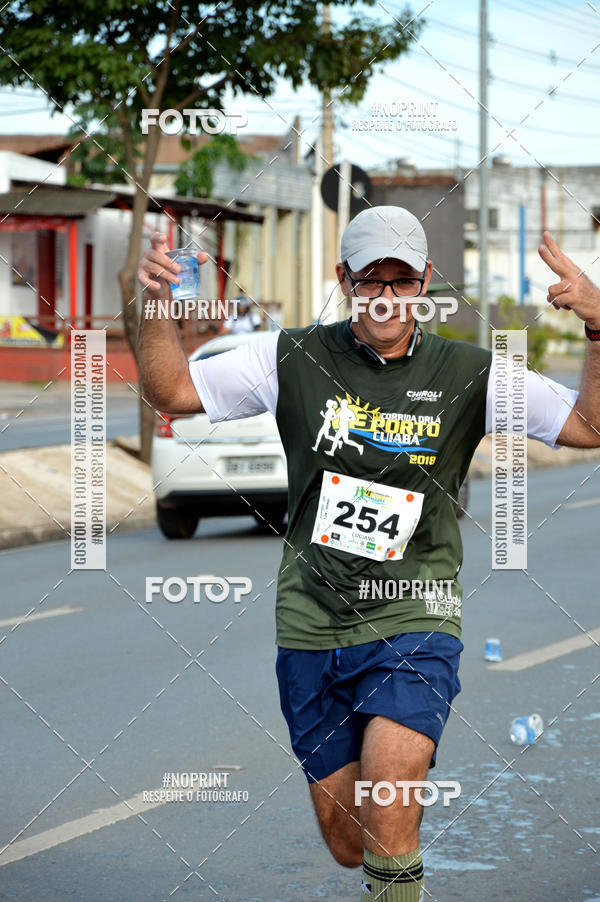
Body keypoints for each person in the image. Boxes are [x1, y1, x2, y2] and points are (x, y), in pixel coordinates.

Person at [137, 206, 600, 901]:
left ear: (426, 281)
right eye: (370, 280)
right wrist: (155, 306)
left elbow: (590, 426)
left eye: (402, 280)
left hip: (416, 616)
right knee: (350, 841)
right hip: (312, 623)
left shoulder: (470, 373)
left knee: (388, 799)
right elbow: (171, 391)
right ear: (343, 278)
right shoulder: (290, 358)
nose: (386, 296)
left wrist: (598, 325)